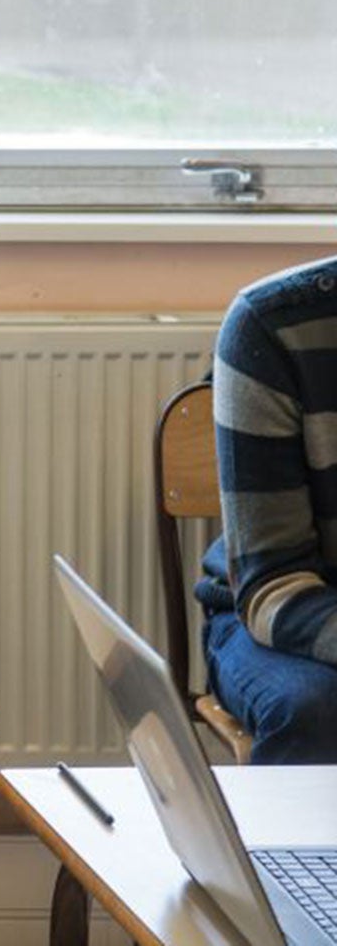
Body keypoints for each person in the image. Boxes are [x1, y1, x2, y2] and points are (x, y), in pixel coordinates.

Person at [196, 257, 337, 763]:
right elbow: (275, 585)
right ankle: (294, 846)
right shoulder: (273, 325)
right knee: (315, 712)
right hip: (277, 607)